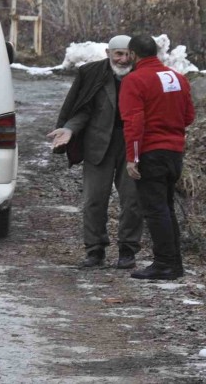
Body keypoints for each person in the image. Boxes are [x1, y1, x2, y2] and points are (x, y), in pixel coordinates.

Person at [48, 35, 144, 269]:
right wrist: (69, 129)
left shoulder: (142, 74)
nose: (123, 59)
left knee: (132, 200)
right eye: (118, 54)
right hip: (98, 143)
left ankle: (128, 250)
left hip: (133, 144)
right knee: (94, 200)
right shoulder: (91, 73)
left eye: (128, 54)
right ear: (107, 53)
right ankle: (95, 250)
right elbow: (82, 109)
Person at [119, 35, 195, 280]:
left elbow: (134, 121)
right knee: (166, 208)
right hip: (175, 153)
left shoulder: (134, 80)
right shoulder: (178, 78)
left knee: (155, 210)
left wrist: (132, 157)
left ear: (133, 54)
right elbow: (189, 117)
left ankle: (164, 264)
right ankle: (173, 263)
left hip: (151, 152)